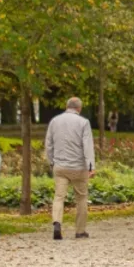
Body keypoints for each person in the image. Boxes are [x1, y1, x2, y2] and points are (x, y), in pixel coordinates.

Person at [45, 97, 95, 240]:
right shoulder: (84, 123)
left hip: (60, 166)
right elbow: (87, 146)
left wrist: (52, 162)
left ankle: (57, 223)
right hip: (79, 168)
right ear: (79, 108)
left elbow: (49, 144)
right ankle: (80, 231)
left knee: (59, 196)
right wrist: (91, 166)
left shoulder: (55, 121)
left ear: (67, 106)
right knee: (81, 198)